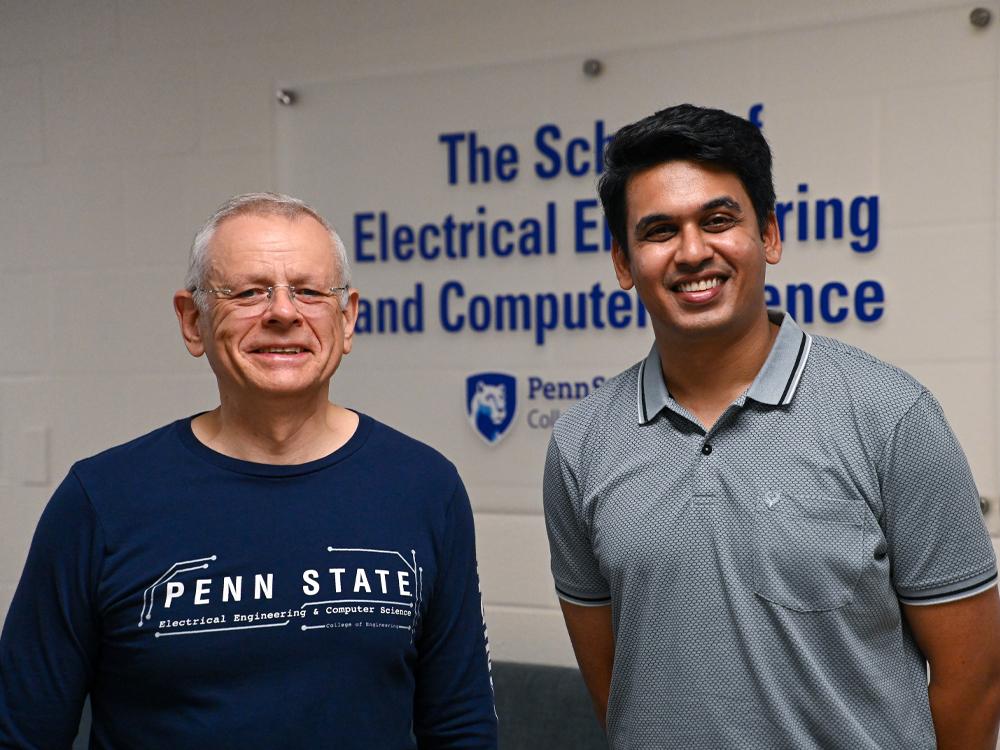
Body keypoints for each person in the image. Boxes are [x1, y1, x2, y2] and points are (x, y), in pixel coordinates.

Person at [543, 104, 1000, 749]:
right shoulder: (580, 445)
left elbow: (972, 681)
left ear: (771, 237)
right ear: (623, 264)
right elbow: (617, 689)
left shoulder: (890, 413)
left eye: (719, 220)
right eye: (659, 231)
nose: (693, 251)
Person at [0, 193, 497, 749]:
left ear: (348, 317)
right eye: (248, 291)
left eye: (309, 291)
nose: (284, 312)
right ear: (192, 321)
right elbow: (22, 733)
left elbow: (461, 727)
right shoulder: (100, 501)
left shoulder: (425, 488)